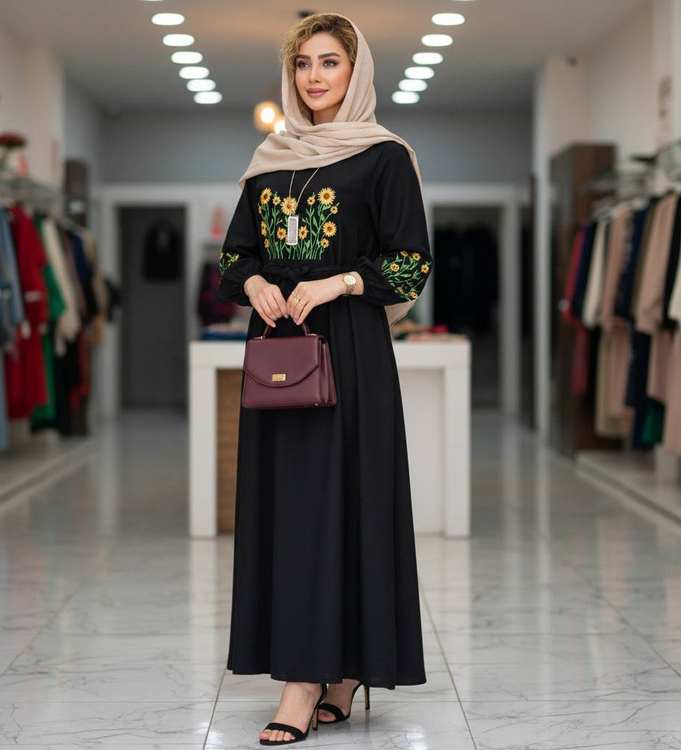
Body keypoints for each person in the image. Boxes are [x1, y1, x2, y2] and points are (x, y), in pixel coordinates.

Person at [218, 12, 432, 746]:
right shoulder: (269, 160)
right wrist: (255, 285)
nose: (314, 77)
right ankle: (319, 670)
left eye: (329, 62)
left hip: (350, 352)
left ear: (355, 70)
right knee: (292, 507)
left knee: (348, 501)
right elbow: (234, 256)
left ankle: (314, 681)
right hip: (279, 349)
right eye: (303, 63)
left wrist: (338, 282)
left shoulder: (384, 157)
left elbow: (410, 262)